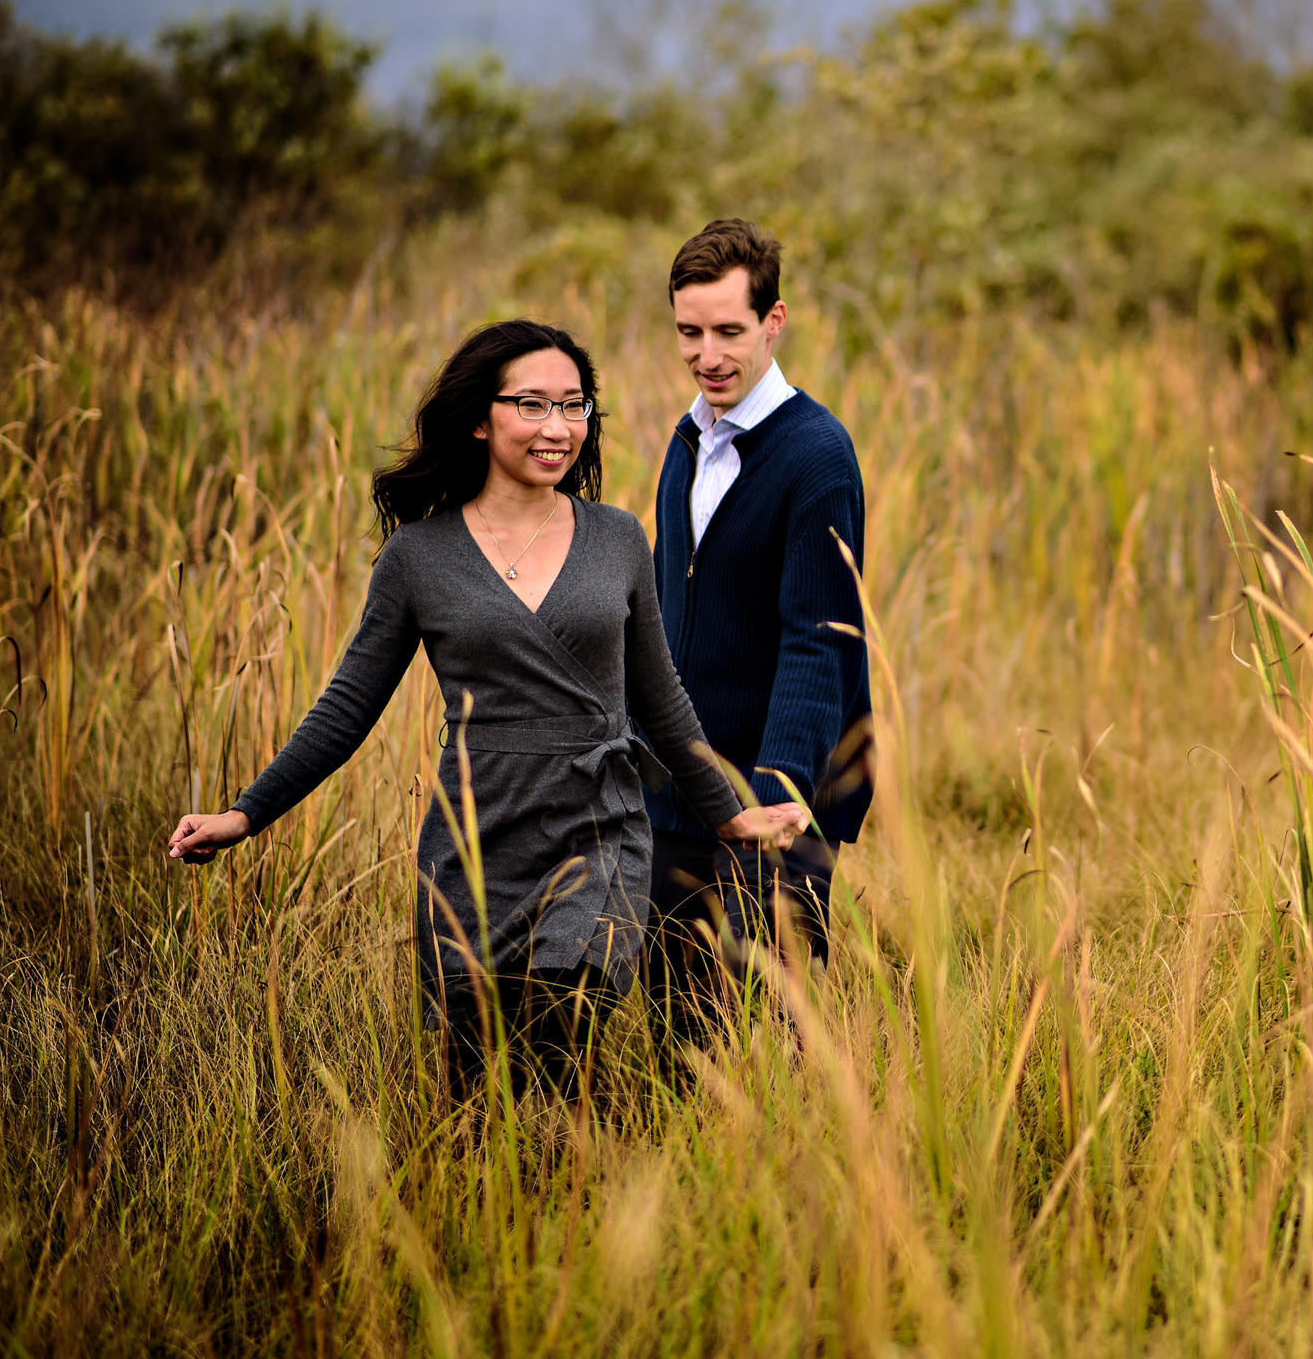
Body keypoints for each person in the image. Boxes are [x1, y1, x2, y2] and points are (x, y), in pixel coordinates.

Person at [165, 319, 781, 1096]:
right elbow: (349, 706)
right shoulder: (418, 558)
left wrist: (730, 816)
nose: (559, 428)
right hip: (477, 839)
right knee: (480, 1083)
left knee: (562, 1030)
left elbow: (661, 701)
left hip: (597, 828)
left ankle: (570, 1184)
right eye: (533, 405)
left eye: (575, 405)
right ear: (480, 419)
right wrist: (245, 814)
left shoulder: (617, 539)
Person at [645, 218, 872, 1046]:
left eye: (730, 332)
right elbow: (668, 615)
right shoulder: (688, 439)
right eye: (689, 332)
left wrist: (778, 799)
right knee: (677, 1037)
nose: (708, 354)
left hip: (776, 795)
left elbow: (822, 637)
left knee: (763, 1037)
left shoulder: (816, 455)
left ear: (774, 323)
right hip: (679, 792)